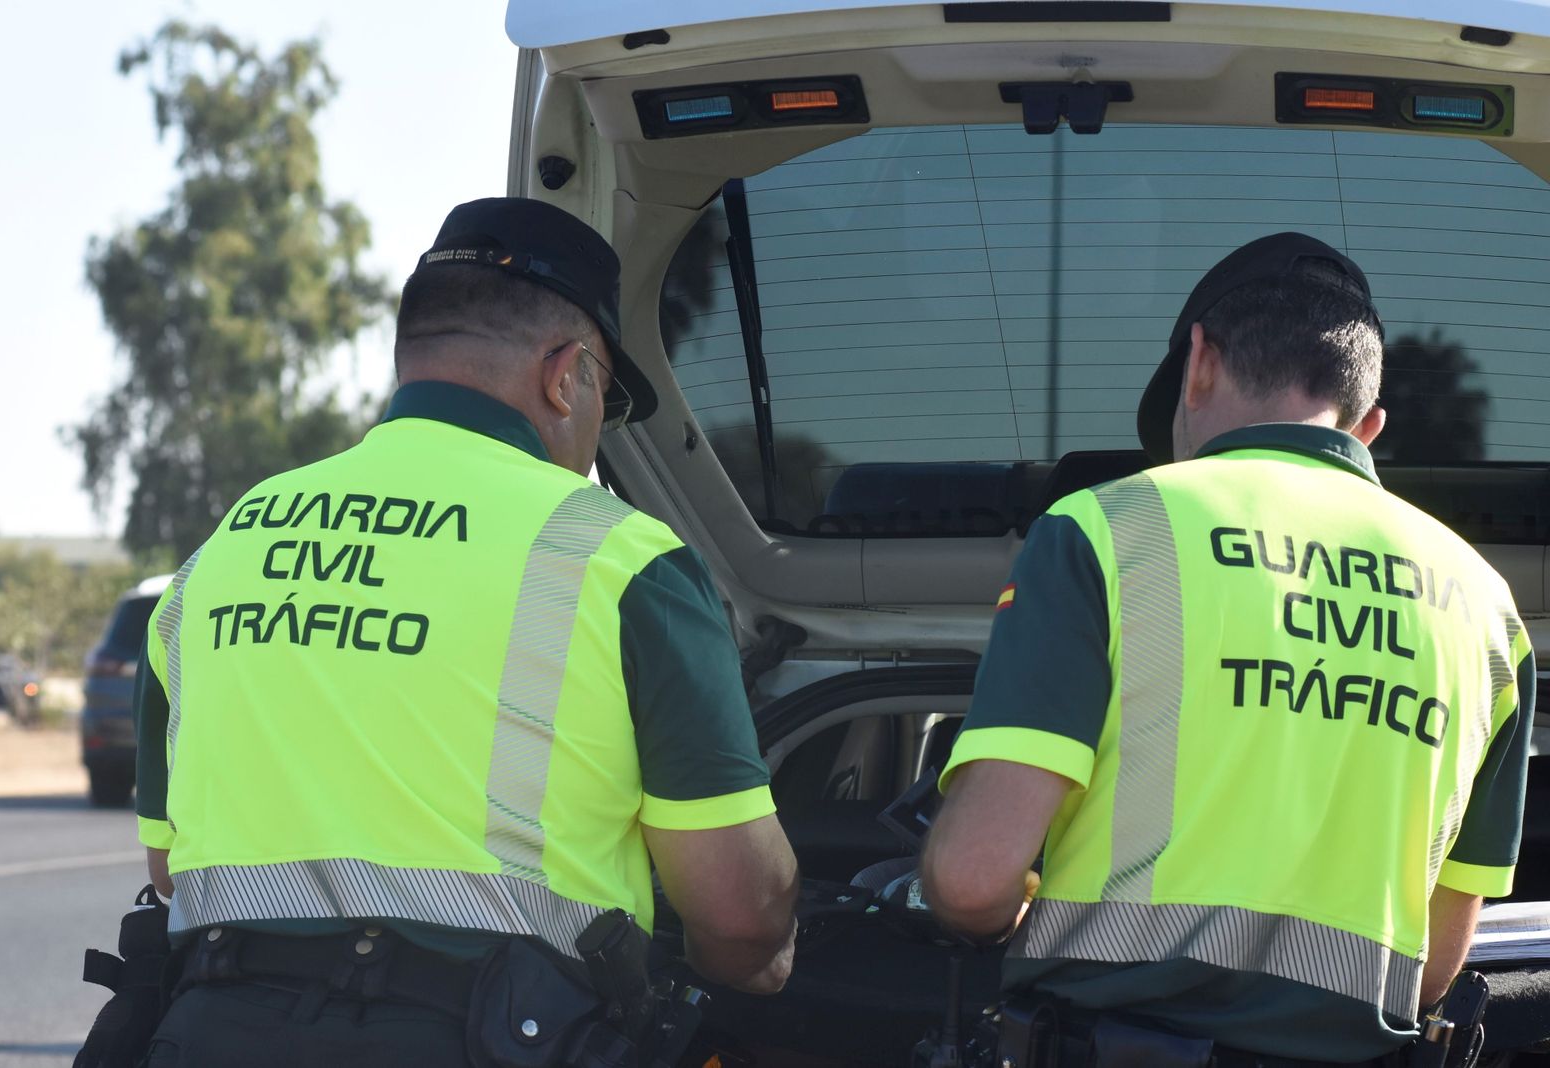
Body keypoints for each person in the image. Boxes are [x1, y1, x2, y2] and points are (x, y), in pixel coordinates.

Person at [130, 197, 800, 1065]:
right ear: (567, 374)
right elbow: (742, 918)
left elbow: (171, 871)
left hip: (210, 1034)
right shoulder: (620, 559)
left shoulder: (222, 550)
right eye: (607, 399)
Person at [920, 233, 1533, 1066]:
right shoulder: (1490, 610)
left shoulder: (1109, 528)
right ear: (1371, 426)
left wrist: (994, 912)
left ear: (1199, 362)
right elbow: (1432, 967)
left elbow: (971, 881)